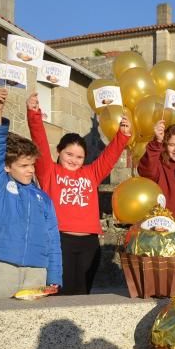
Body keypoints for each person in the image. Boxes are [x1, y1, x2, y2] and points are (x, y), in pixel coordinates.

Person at [28, 93, 130, 295]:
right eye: (69, 154)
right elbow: (38, 141)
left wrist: (123, 134)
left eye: (79, 156)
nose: (74, 160)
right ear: (59, 151)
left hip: (89, 243)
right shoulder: (49, 171)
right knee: (60, 293)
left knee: (83, 294)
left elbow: (109, 156)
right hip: (59, 240)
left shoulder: (91, 173)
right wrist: (34, 114)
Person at [0, 88, 62, 299]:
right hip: (4, 266)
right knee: (0, 321)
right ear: (7, 166)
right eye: (24, 165)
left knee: (33, 324)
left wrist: (54, 276)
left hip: (37, 270)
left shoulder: (43, 199)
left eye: (32, 165)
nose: (31, 170)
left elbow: (53, 239)